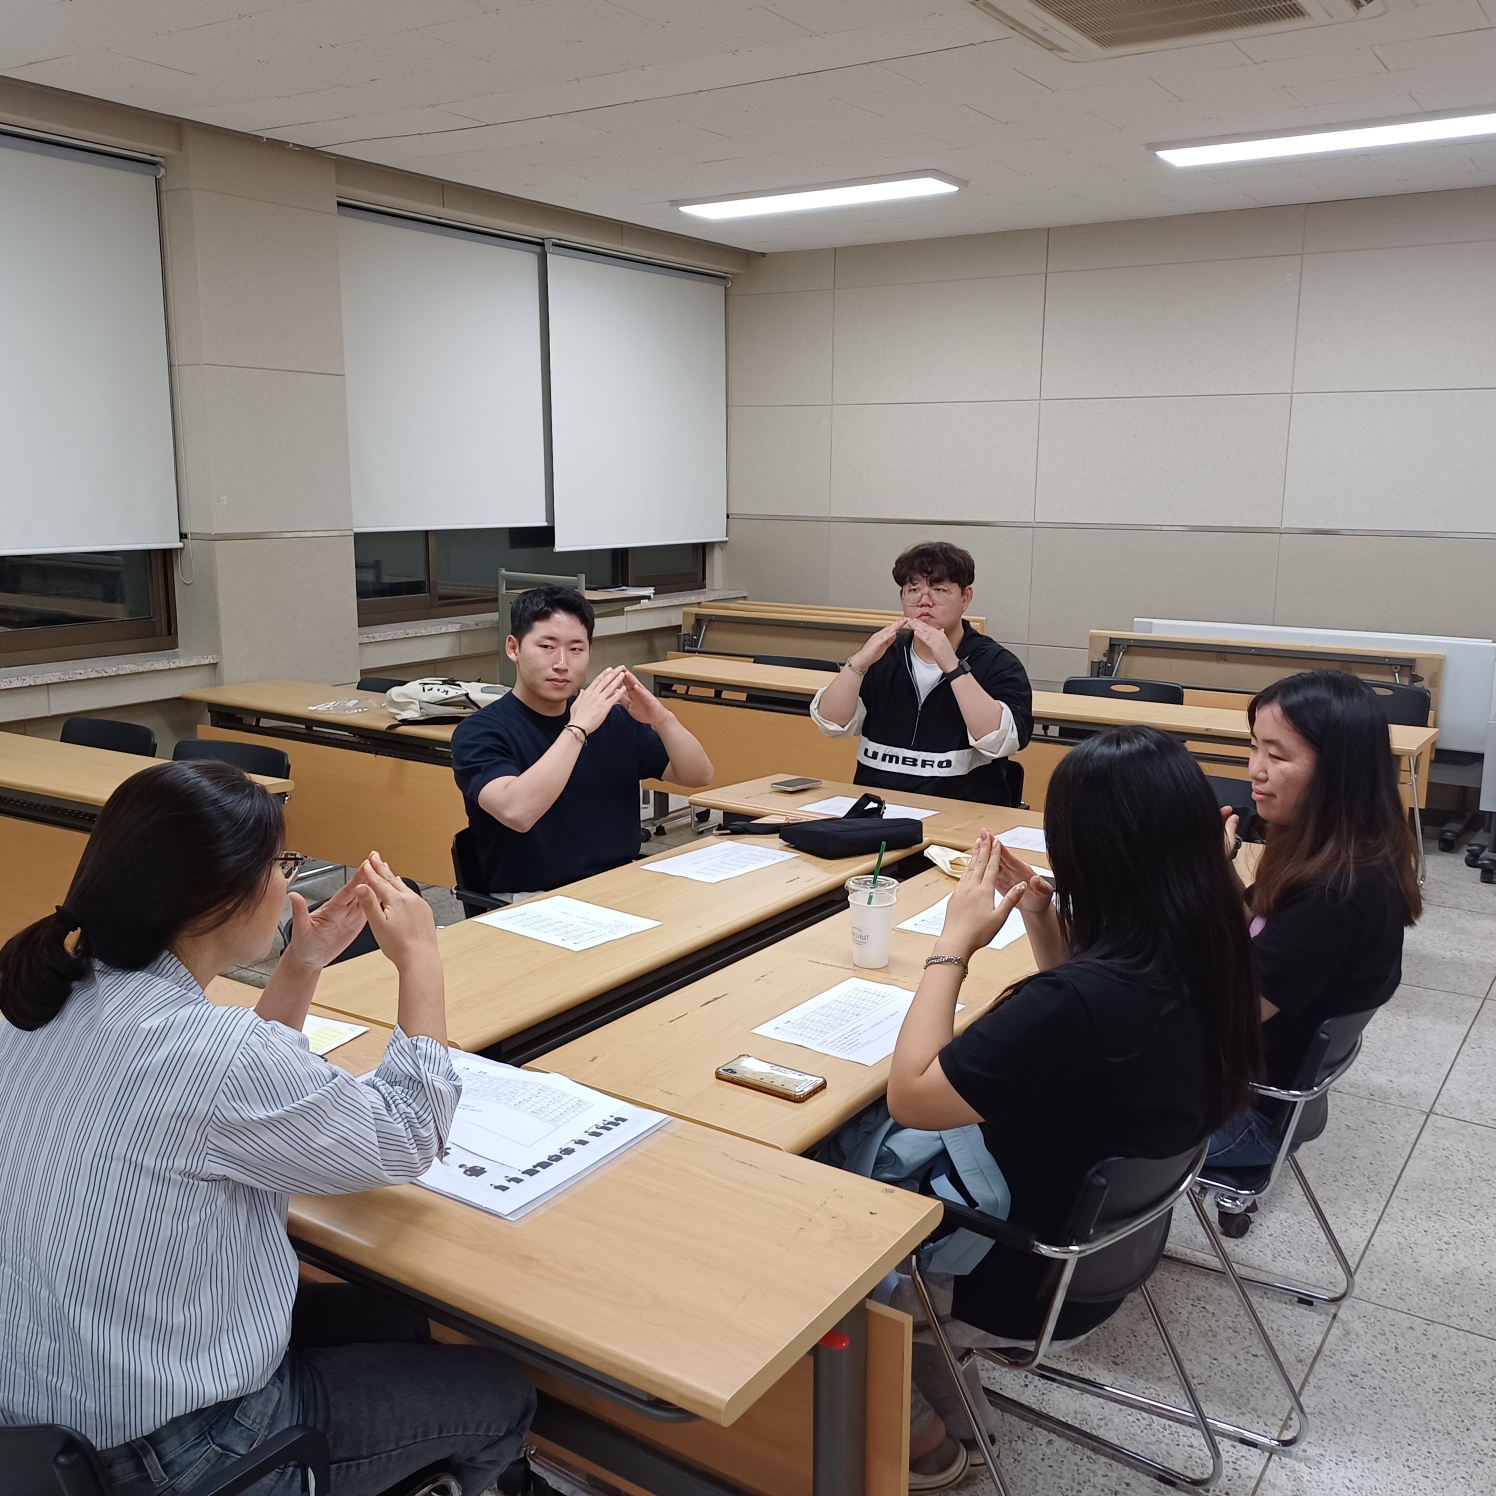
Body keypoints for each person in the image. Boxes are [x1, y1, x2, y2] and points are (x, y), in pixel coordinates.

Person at [0, 760, 552, 1496]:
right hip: (181, 1454)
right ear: (220, 898)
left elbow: (234, 1103)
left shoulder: (43, 999)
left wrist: (303, 963)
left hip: (46, 1432)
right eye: (281, 864)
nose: (288, 878)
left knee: (396, 1317)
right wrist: (421, 957)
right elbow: (409, 1133)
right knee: (500, 1388)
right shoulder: (213, 1054)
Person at [883, 729, 1261, 1489]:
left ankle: (916, 1428)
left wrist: (953, 942)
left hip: (1010, 1272)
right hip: (1093, 1258)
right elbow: (1094, 1024)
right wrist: (1041, 918)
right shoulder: (1207, 949)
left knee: (815, 1169)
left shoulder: (1078, 1003)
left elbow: (912, 1095)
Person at [1209, 670, 1422, 1168]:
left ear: (1337, 771)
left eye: (1277, 756)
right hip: (1253, 1089)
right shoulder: (1327, 848)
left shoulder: (1335, 894)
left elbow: (1221, 1018)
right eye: (1254, 747)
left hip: (1245, 1117)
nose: (1255, 770)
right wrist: (1216, 869)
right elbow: (1253, 922)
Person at [452, 586, 713, 897]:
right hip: (533, 899)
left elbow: (698, 775)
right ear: (513, 648)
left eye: (576, 649)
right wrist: (577, 728)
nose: (562, 663)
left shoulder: (612, 718)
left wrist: (662, 718)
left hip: (620, 883)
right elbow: (517, 812)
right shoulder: (480, 732)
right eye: (547, 646)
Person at [809, 541, 1032, 806]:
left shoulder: (997, 663)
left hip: (961, 814)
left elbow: (1001, 740)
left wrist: (953, 668)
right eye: (913, 590)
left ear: (965, 597)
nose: (924, 601)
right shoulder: (884, 656)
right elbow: (831, 724)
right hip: (878, 813)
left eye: (939, 590)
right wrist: (858, 665)